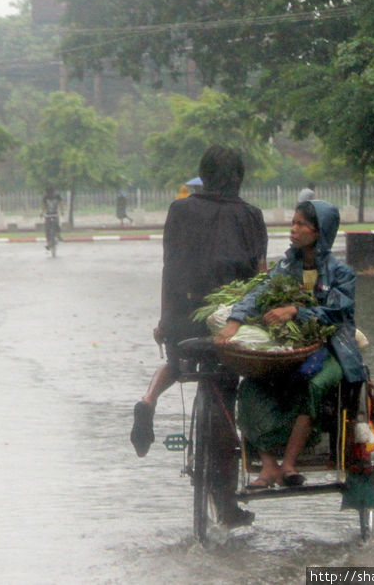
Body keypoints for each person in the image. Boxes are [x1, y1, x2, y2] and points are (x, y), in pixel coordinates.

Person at [130, 145, 268, 526]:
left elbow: (169, 267)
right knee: (225, 396)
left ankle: (149, 398)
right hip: (228, 327)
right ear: (238, 178)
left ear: (203, 176)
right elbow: (259, 277)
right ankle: (225, 506)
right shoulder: (251, 216)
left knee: (178, 361)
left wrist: (165, 320)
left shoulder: (180, 210)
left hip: (182, 320)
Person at [215, 199, 365, 488]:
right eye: (293, 223)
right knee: (251, 386)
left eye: (300, 224)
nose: (293, 229)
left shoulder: (342, 274)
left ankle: (290, 464)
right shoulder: (286, 267)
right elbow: (260, 292)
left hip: (332, 348)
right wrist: (235, 320)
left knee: (314, 384)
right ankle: (269, 465)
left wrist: (296, 311)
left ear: (319, 232)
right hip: (289, 348)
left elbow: (338, 312)